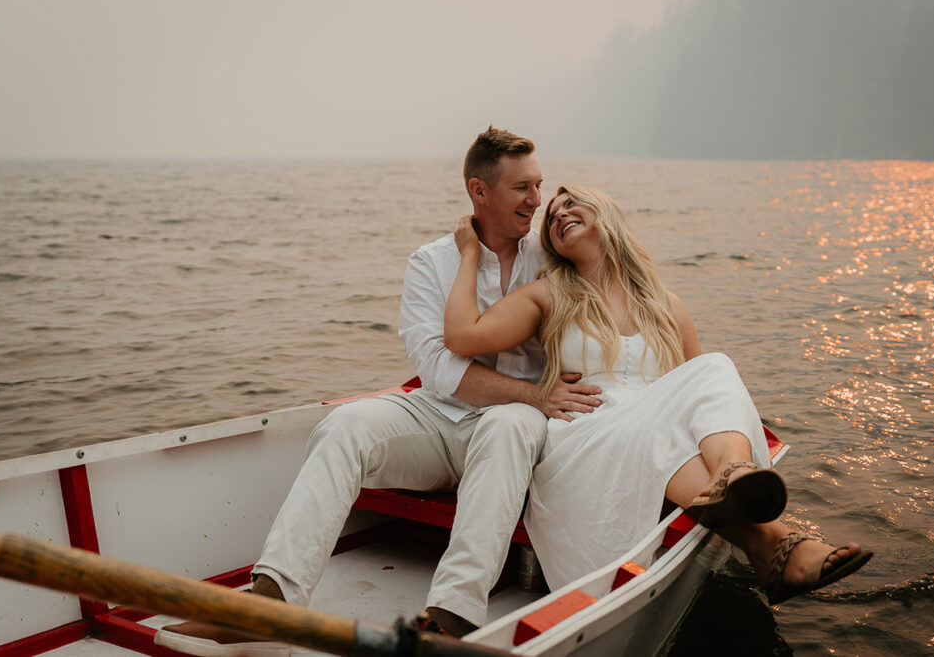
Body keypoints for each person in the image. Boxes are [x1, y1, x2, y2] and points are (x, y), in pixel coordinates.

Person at [155, 127, 605, 656]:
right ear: (478, 191)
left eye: (538, 185)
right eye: (521, 188)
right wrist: (532, 393)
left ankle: (451, 618)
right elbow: (437, 368)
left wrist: (536, 399)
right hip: (439, 418)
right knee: (344, 426)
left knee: (508, 423)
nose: (536, 200)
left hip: (520, 426)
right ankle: (269, 604)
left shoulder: (552, 257)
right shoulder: (430, 262)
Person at [443, 184, 873, 601]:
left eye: (572, 203)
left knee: (712, 369)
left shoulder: (666, 304)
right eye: (552, 217)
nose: (559, 214)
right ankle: (773, 536)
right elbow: (463, 337)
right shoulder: (548, 295)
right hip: (584, 436)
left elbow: (703, 397)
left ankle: (734, 477)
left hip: (652, 435)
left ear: (605, 213)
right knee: (671, 417)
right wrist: (469, 253)